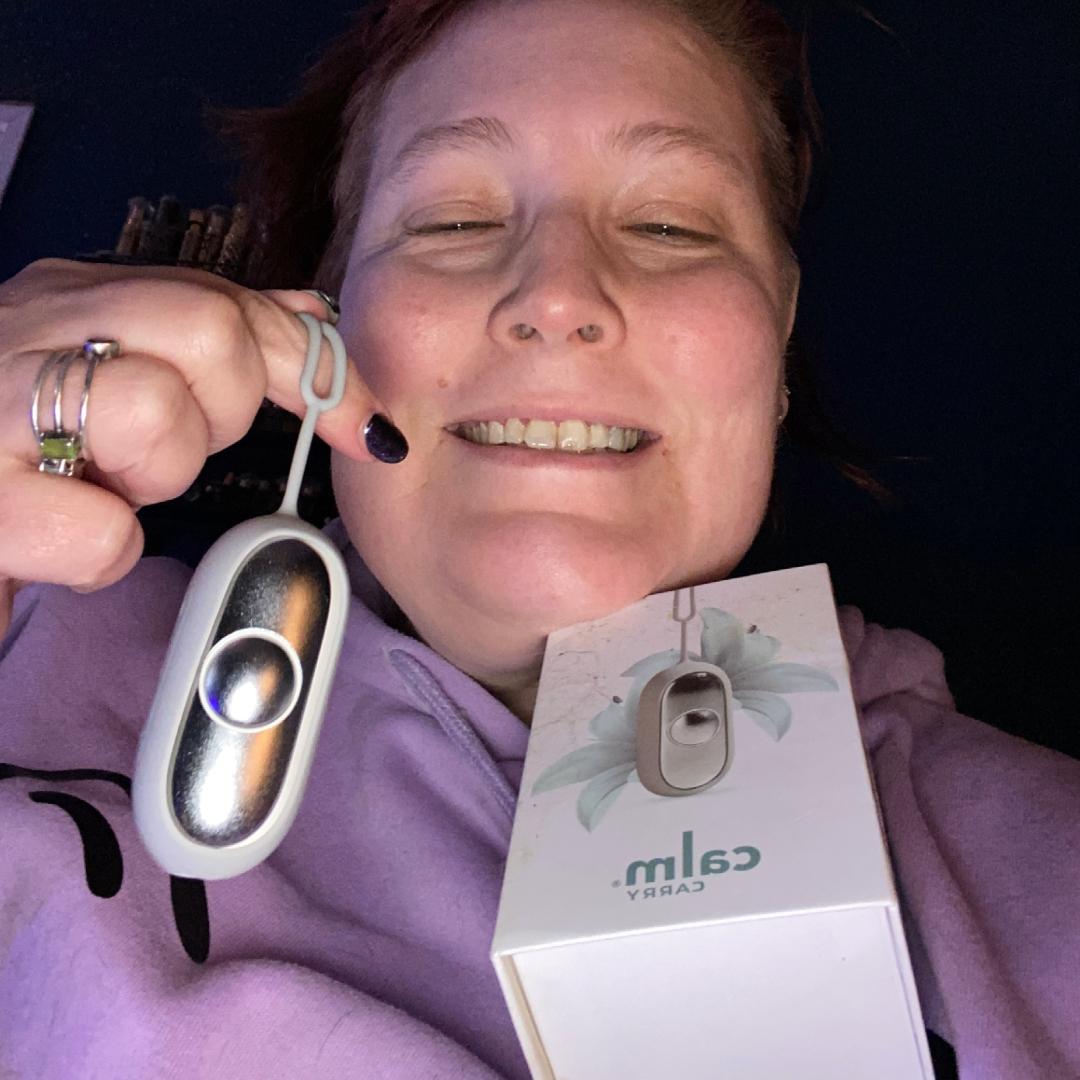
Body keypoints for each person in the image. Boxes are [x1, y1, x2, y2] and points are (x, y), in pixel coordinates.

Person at [0, 0, 1076, 1077]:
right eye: (452, 221)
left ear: (778, 347)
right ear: (322, 328)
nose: (557, 297)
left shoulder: (1033, 857)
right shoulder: (33, 637)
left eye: (670, 226)